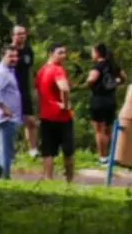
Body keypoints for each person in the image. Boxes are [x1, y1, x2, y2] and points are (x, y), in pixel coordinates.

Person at [35, 44, 76, 183]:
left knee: (48, 150)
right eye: (60, 53)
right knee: (68, 151)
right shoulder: (58, 70)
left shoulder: (41, 71)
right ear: (51, 53)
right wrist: (65, 105)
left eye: (64, 53)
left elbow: (37, 92)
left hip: (45, 116)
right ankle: (69, 180)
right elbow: (64, 88)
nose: (63, 56)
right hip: (62, 117)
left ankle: (48, 179)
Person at [0, 44, 23, 179]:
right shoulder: (1, 72)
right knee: (5, 149)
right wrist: (4, 108)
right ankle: (4, 176)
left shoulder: (9, 71)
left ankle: (3, 174)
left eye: (15, 56)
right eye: (10, 56)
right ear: (3, 56)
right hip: (4, 117)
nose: (14, 59)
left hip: (10, 117)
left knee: (6, 148)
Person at [84, 43, 123, 160]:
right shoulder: (113, 66)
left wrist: (87, 85)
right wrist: (115, 83)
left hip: (98, 99)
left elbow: (92, 79)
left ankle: (102, 156)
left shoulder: (98, 67)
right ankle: (109, 155)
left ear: (97, 53)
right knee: (107, 129)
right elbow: (123, 77)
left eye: (92, 52)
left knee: (98, 129)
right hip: (111, 99)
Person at [12, 24, 37, 156]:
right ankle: (10, 150)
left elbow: (30, 70)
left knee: (30, 120)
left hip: (24, 89)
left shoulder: (28, 51)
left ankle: (33, 150)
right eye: (19, 33)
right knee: (11, 122)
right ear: (13, 36)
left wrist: (32, 89)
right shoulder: (9, 51)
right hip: (11, 91)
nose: (21, 36)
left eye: (23, 33)